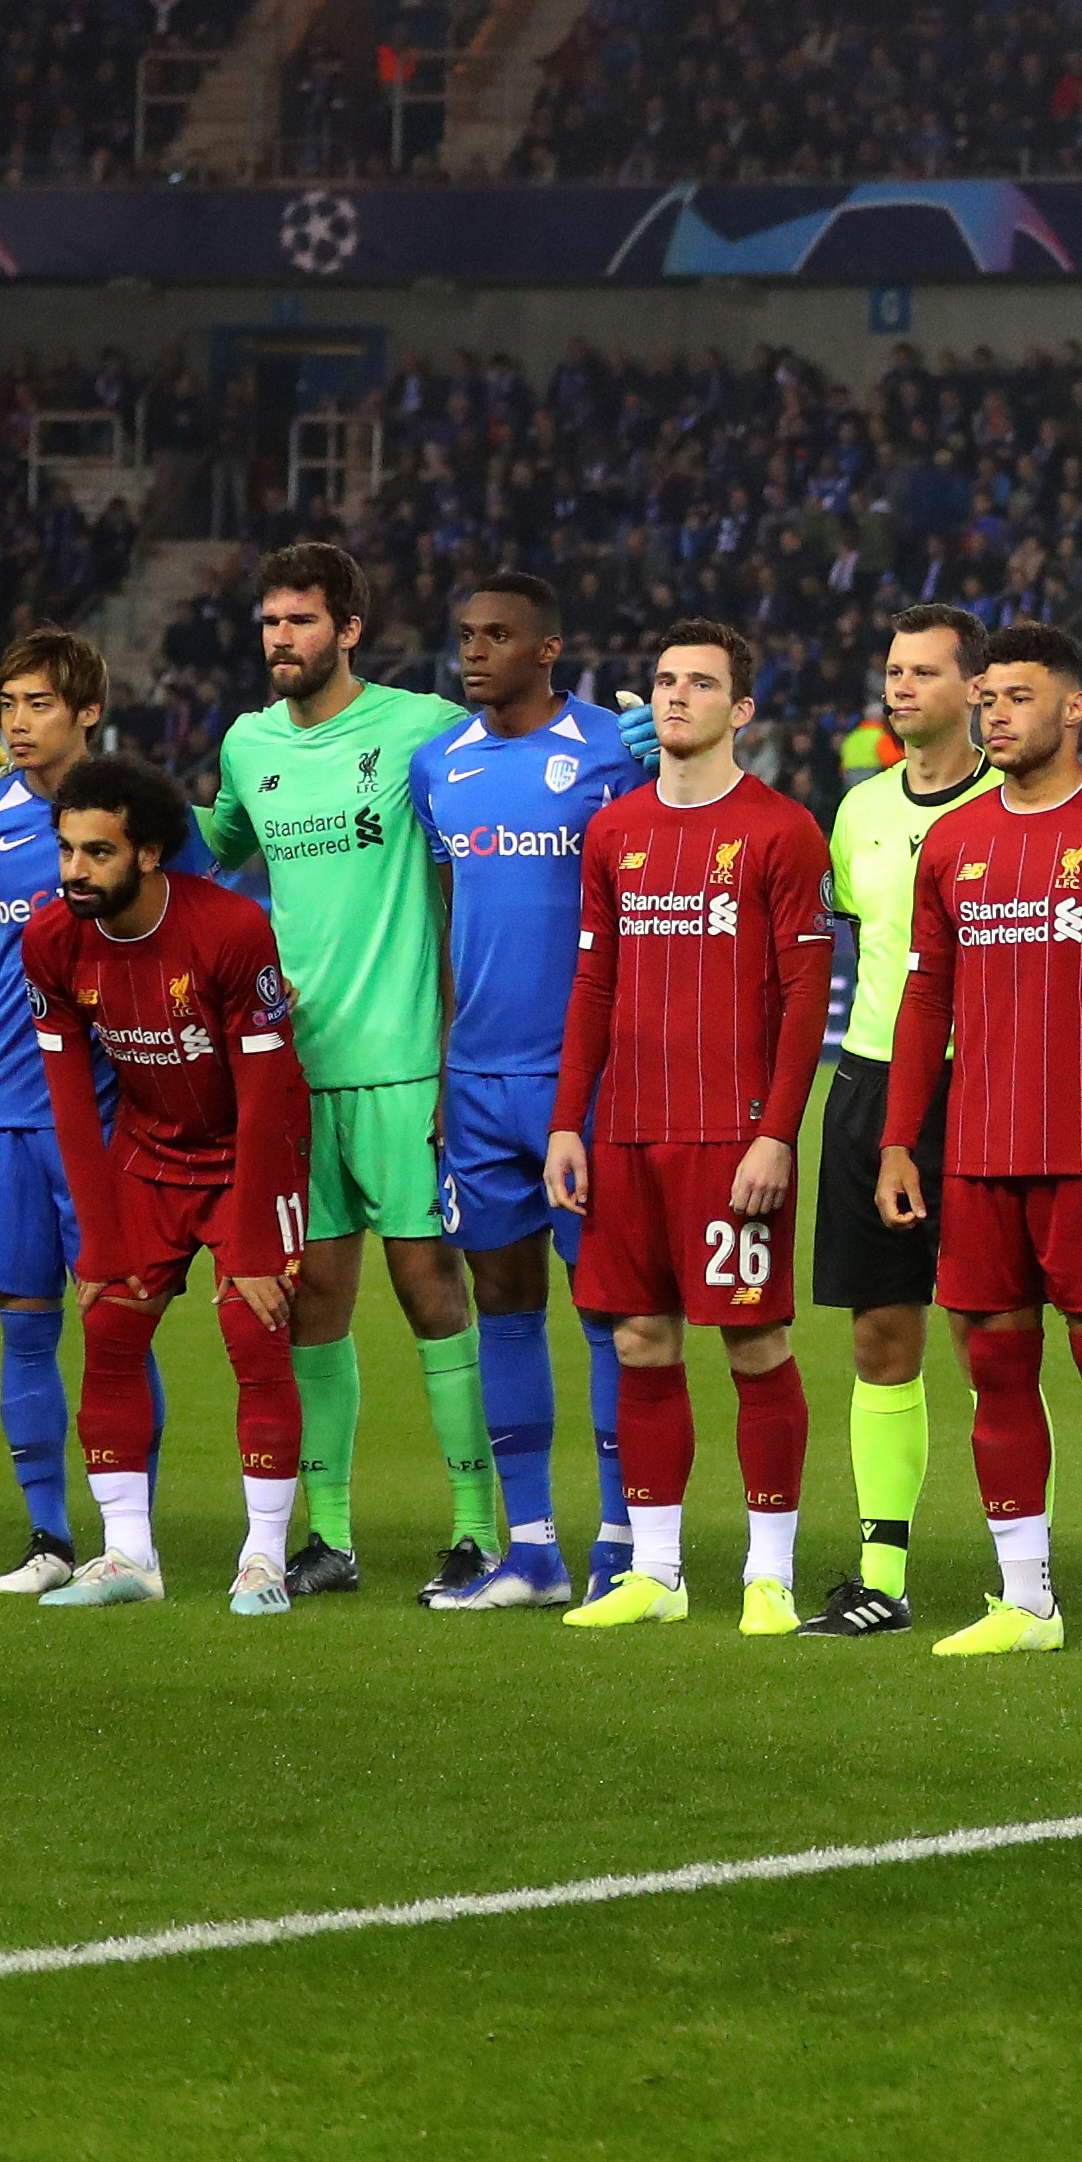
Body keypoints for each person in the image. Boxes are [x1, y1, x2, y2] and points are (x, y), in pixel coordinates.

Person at [874, 624, 1082, 1661]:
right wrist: (897, 1143)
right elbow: (924, 1000)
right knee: (996, 1374)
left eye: (1018, 696)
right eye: (988, 698)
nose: (995, 713)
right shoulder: (956, 843)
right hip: (975, 1159)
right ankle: (1025, 1600)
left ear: (1073, 708)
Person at [196, 539, 483, 1595]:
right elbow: (209, 845)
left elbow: (499, 790)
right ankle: (328, 1536)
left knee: (425, 1286)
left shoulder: (421, 728)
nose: (281, 639)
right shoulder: (246, 744)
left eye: (302, 621)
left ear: (348, 629)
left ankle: (475, 1526)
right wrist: (71, 789)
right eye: (269, 622)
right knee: (313, 1295)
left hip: (407, 1062)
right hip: (291, 1072)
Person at [547, 624, 834, 1633]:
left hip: (731, 1135)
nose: (677, 697)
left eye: (701, 683)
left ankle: (769, 1571)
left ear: (741, 710)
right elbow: (592, 982)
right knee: (638, 1340)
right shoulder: (615, 829)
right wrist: (566, 1123)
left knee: (754, 1344)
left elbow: (806, 1000)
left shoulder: (782, 830)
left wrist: (777, 1134)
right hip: (625, 1130)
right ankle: (657, 1571)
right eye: (665, 681)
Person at [407, 569, 650, 1610]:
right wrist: (446, 1056)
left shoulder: (608, 752)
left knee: (606, 1308)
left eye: (498, 635)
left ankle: (624, 1541)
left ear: (547, 648)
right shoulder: (436, 766)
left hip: (582, 1082)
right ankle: (535, 1548)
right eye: (466, 634)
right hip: (476, 1079)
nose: (474, 651)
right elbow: (452, 911)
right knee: (503, 1303)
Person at [18, 755, 312, 1613]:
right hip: (147, 1153)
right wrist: (98, 1240)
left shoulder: (229, 929)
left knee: (255, 1341)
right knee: (108, 1328)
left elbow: (265, 1096)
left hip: (250, 1153)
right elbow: (71, 1100)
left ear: (147, 853)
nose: (75, 870)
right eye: (67, 850)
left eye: (97, 853)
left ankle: (264, 1559)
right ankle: (127, 1556)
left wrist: (256, 1240)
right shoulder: (51, 942)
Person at [0, 631, 196, 1596]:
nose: (17, 721)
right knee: (22, 1323)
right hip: (7, 1105)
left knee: (115, 1323)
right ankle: (48, 1534)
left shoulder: (143, 813)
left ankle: (129, 1534)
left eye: (38, 703)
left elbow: (192, 935)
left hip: (110, 1113)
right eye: (7, 703)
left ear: (87, 710)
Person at [805, 600, 995, 1635]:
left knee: (991, 1334)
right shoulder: (861, 809)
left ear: (974, 687)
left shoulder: (1014, 805)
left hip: (987, 1086)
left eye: (925, 670)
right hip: (873, 1086)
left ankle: (1027, 1570)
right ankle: (882, 1574)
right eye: (894, 668)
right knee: (881, 1332)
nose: (902, 686)